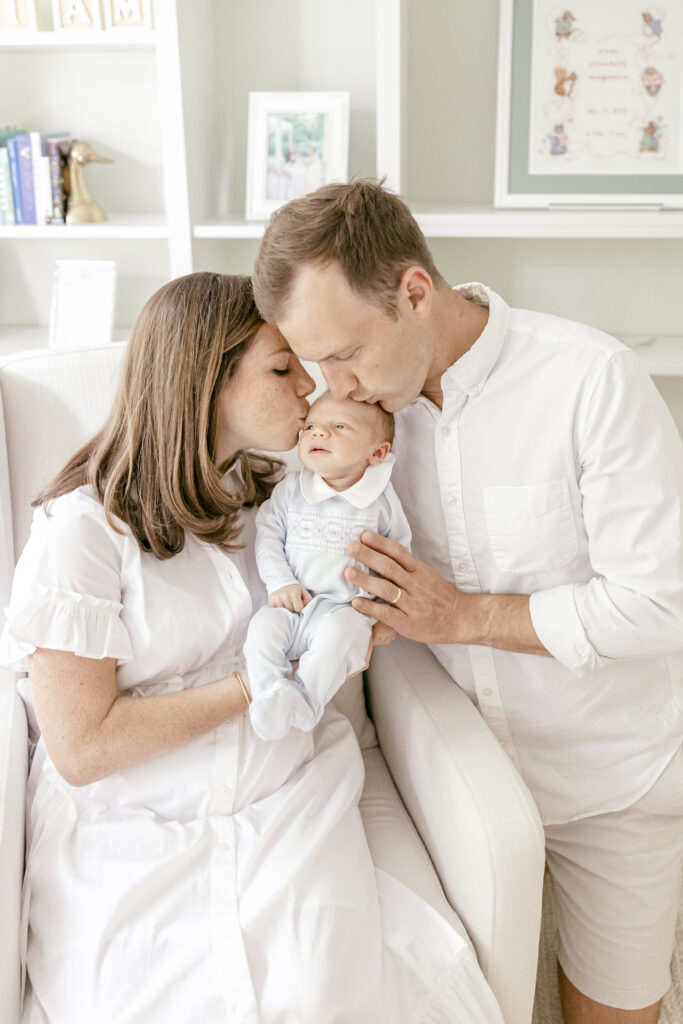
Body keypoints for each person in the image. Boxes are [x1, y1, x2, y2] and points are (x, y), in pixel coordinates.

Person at [0, 272, 505, 1024]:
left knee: (317, 994)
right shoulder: (81, 533)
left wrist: (369, 617)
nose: (309, 387)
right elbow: (82, 746)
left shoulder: (271, 495)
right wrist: (257, 685)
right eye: (280, 368)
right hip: (134, 820)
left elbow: (347, 562)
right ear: (205, 380)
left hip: (281, 796)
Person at [252, 180, 683, 1024]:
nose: (329, 386)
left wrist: (466, 617)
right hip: (450, 776)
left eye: (344, 355)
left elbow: (660, 603)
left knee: (616, 1008)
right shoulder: (357, 420)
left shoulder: (588, 380)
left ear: (415, 292)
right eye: (312, 365)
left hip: (612, 775)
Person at [245, 391, 410, 741]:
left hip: (343, 610)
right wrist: (280, 584)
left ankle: (306, 701)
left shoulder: (381, 502)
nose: (318, 433)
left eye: (339, 426)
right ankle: (269, 693)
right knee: (261, 630)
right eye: (311, 427)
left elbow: (398, 559)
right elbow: (268, 536)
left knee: (339, 639)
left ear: (376, 453)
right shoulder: (292, 489)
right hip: (293, 603)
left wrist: (384, 612)